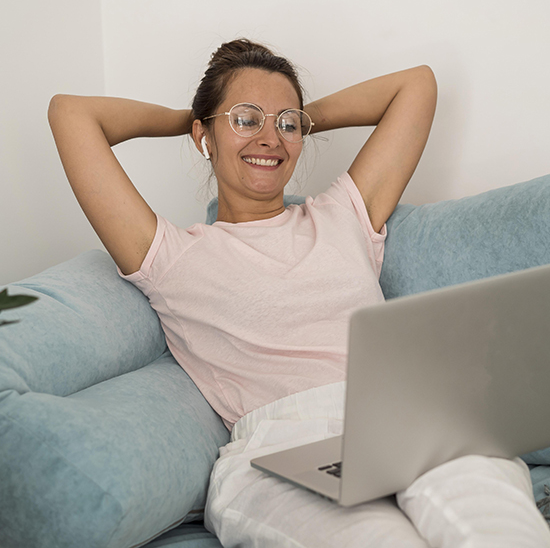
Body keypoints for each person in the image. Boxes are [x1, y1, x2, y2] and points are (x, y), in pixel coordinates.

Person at [48, 39, 550, 548]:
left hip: (410, 416)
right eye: (247, 120)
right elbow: (70, 114)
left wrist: (285, 120)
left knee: (497, 528)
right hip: (281, 443)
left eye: (287, 124)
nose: (270, 138)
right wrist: (197, 119)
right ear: (205, 137)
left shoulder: (343, 215)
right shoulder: (168, 255)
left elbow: (416, 84)